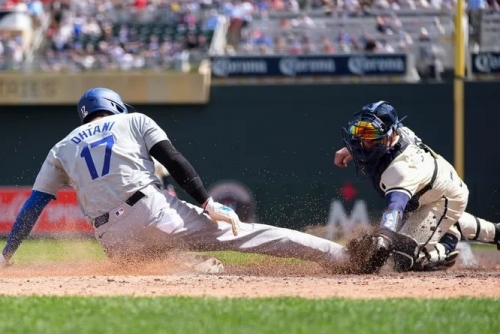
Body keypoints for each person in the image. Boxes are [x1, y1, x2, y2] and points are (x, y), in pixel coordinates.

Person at [0, 87, 348, 271]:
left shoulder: (60, 147)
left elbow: (34, 205)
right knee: (252, 236)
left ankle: (194, 269)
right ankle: (343, 257)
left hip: (112, 240)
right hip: (151, 211)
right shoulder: (132, 121)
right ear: (116, 106)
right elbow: (173, 159)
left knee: (153, 262)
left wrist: (7, 254)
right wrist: (207, 202)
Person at [334, 100, 500, 271]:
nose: (363, 141)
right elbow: (376, 138)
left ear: (391, 134)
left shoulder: (401, 168)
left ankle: (444, 246)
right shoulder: (398, 132)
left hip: (444, 198)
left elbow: (395, 207)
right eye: (360, 132)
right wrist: (350, 150)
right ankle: (495, 232)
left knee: (401, 258)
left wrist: (384, 236)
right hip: (429, 190)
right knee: (402, 243)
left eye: (370, 135)